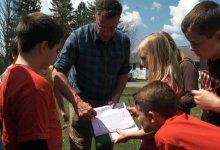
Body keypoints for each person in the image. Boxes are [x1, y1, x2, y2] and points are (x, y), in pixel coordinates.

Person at [52, 0, 130, 149]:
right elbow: (57, 73)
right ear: (95, 18)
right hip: (81, 100)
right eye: (102, 27)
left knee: (106, 146)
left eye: (112, 28)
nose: (107, 33)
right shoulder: (78, 37)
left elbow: (123, 72)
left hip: (107, 104)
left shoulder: (123, 41)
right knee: (79, 145)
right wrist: (77, 102)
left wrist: (116, 96)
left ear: (118, 21)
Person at [0, 12, 63, 149]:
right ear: (44, 46)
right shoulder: (36, 86)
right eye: (57, 50)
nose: (56, 56)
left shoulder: (10, 75)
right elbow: (34, 144)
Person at [115, 32, 182, 150]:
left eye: (144, 58)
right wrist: (140, 111)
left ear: (157, 56)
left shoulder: (163, 87)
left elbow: (155, 128)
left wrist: (129, 135)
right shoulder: (168, 82)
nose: (141, 63)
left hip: (155, 145)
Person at [134, 80, 220, 150]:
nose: (138, 119)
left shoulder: (164, 136)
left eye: (138, 115)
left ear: (152, 116)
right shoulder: (181, 116)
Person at [181, 1, 220, 126]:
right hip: (209, 127)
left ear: (218, 37)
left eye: (196, 43)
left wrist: (216, 104)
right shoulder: (205, 56)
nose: (191, 48)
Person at [160, 31, 199, 114]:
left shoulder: (186, 65)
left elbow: (192, 97)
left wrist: (166, 104)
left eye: (158, 50)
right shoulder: (166, 67)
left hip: (180, 119)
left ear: (170, 46)